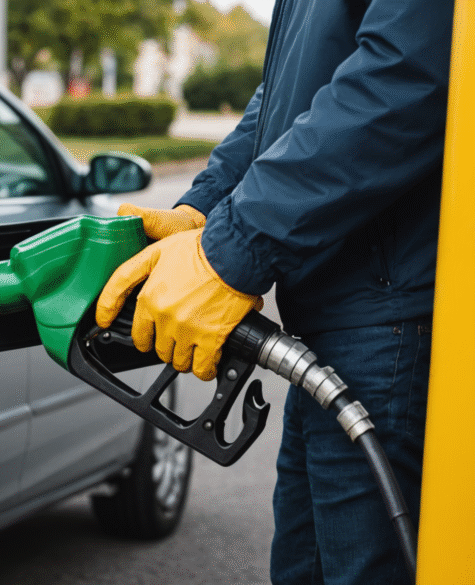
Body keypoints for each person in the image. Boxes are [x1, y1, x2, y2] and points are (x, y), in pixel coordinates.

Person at [94, 1, 453, 583]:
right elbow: (285, 96)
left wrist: (235, 250)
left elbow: (405, 74)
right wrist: (201, 210)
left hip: (388, 314)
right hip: (334, 314)